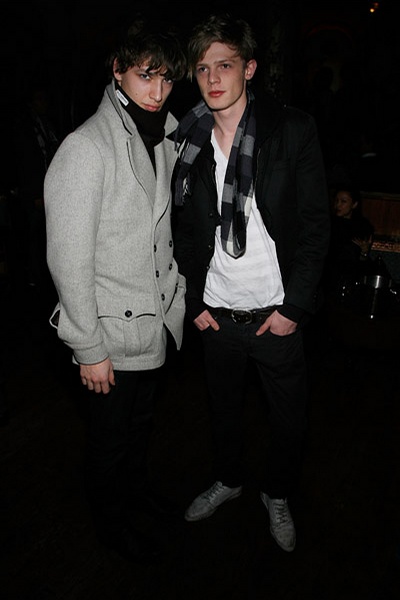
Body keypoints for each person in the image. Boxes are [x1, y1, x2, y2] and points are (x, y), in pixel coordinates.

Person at [172, 13, 330, 553]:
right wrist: (194, 301)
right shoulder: (188, 138)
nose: (213, 78)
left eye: (225, 65)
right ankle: (229, 479)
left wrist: (294, 308)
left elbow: (314, 227)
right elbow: (183, 231)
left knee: (288, 423)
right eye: (202, 68)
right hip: (216, 316)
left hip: (275, 317)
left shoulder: (292, 130)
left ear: (250, 69)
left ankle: (277, 494)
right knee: (223, 414)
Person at [44, 19, 187, 562]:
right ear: (118, 71)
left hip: (153, 323)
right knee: (108, 441)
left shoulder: (163, 134)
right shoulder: (85, 147)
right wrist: (88, 347)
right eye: (146, 75)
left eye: (167, 79)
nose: (157, 91)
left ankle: (136, 493)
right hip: (109, 333)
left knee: (140, 426)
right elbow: (68, 259)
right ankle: (111, 527)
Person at [323, 185, 374, 302]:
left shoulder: (362, 227)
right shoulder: (328, 224)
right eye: (336, 201)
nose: (338, 205)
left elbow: (360, 262)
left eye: (343, 201)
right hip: (327, 278)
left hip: (351, 280)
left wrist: (364, 252)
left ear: (354, 204)